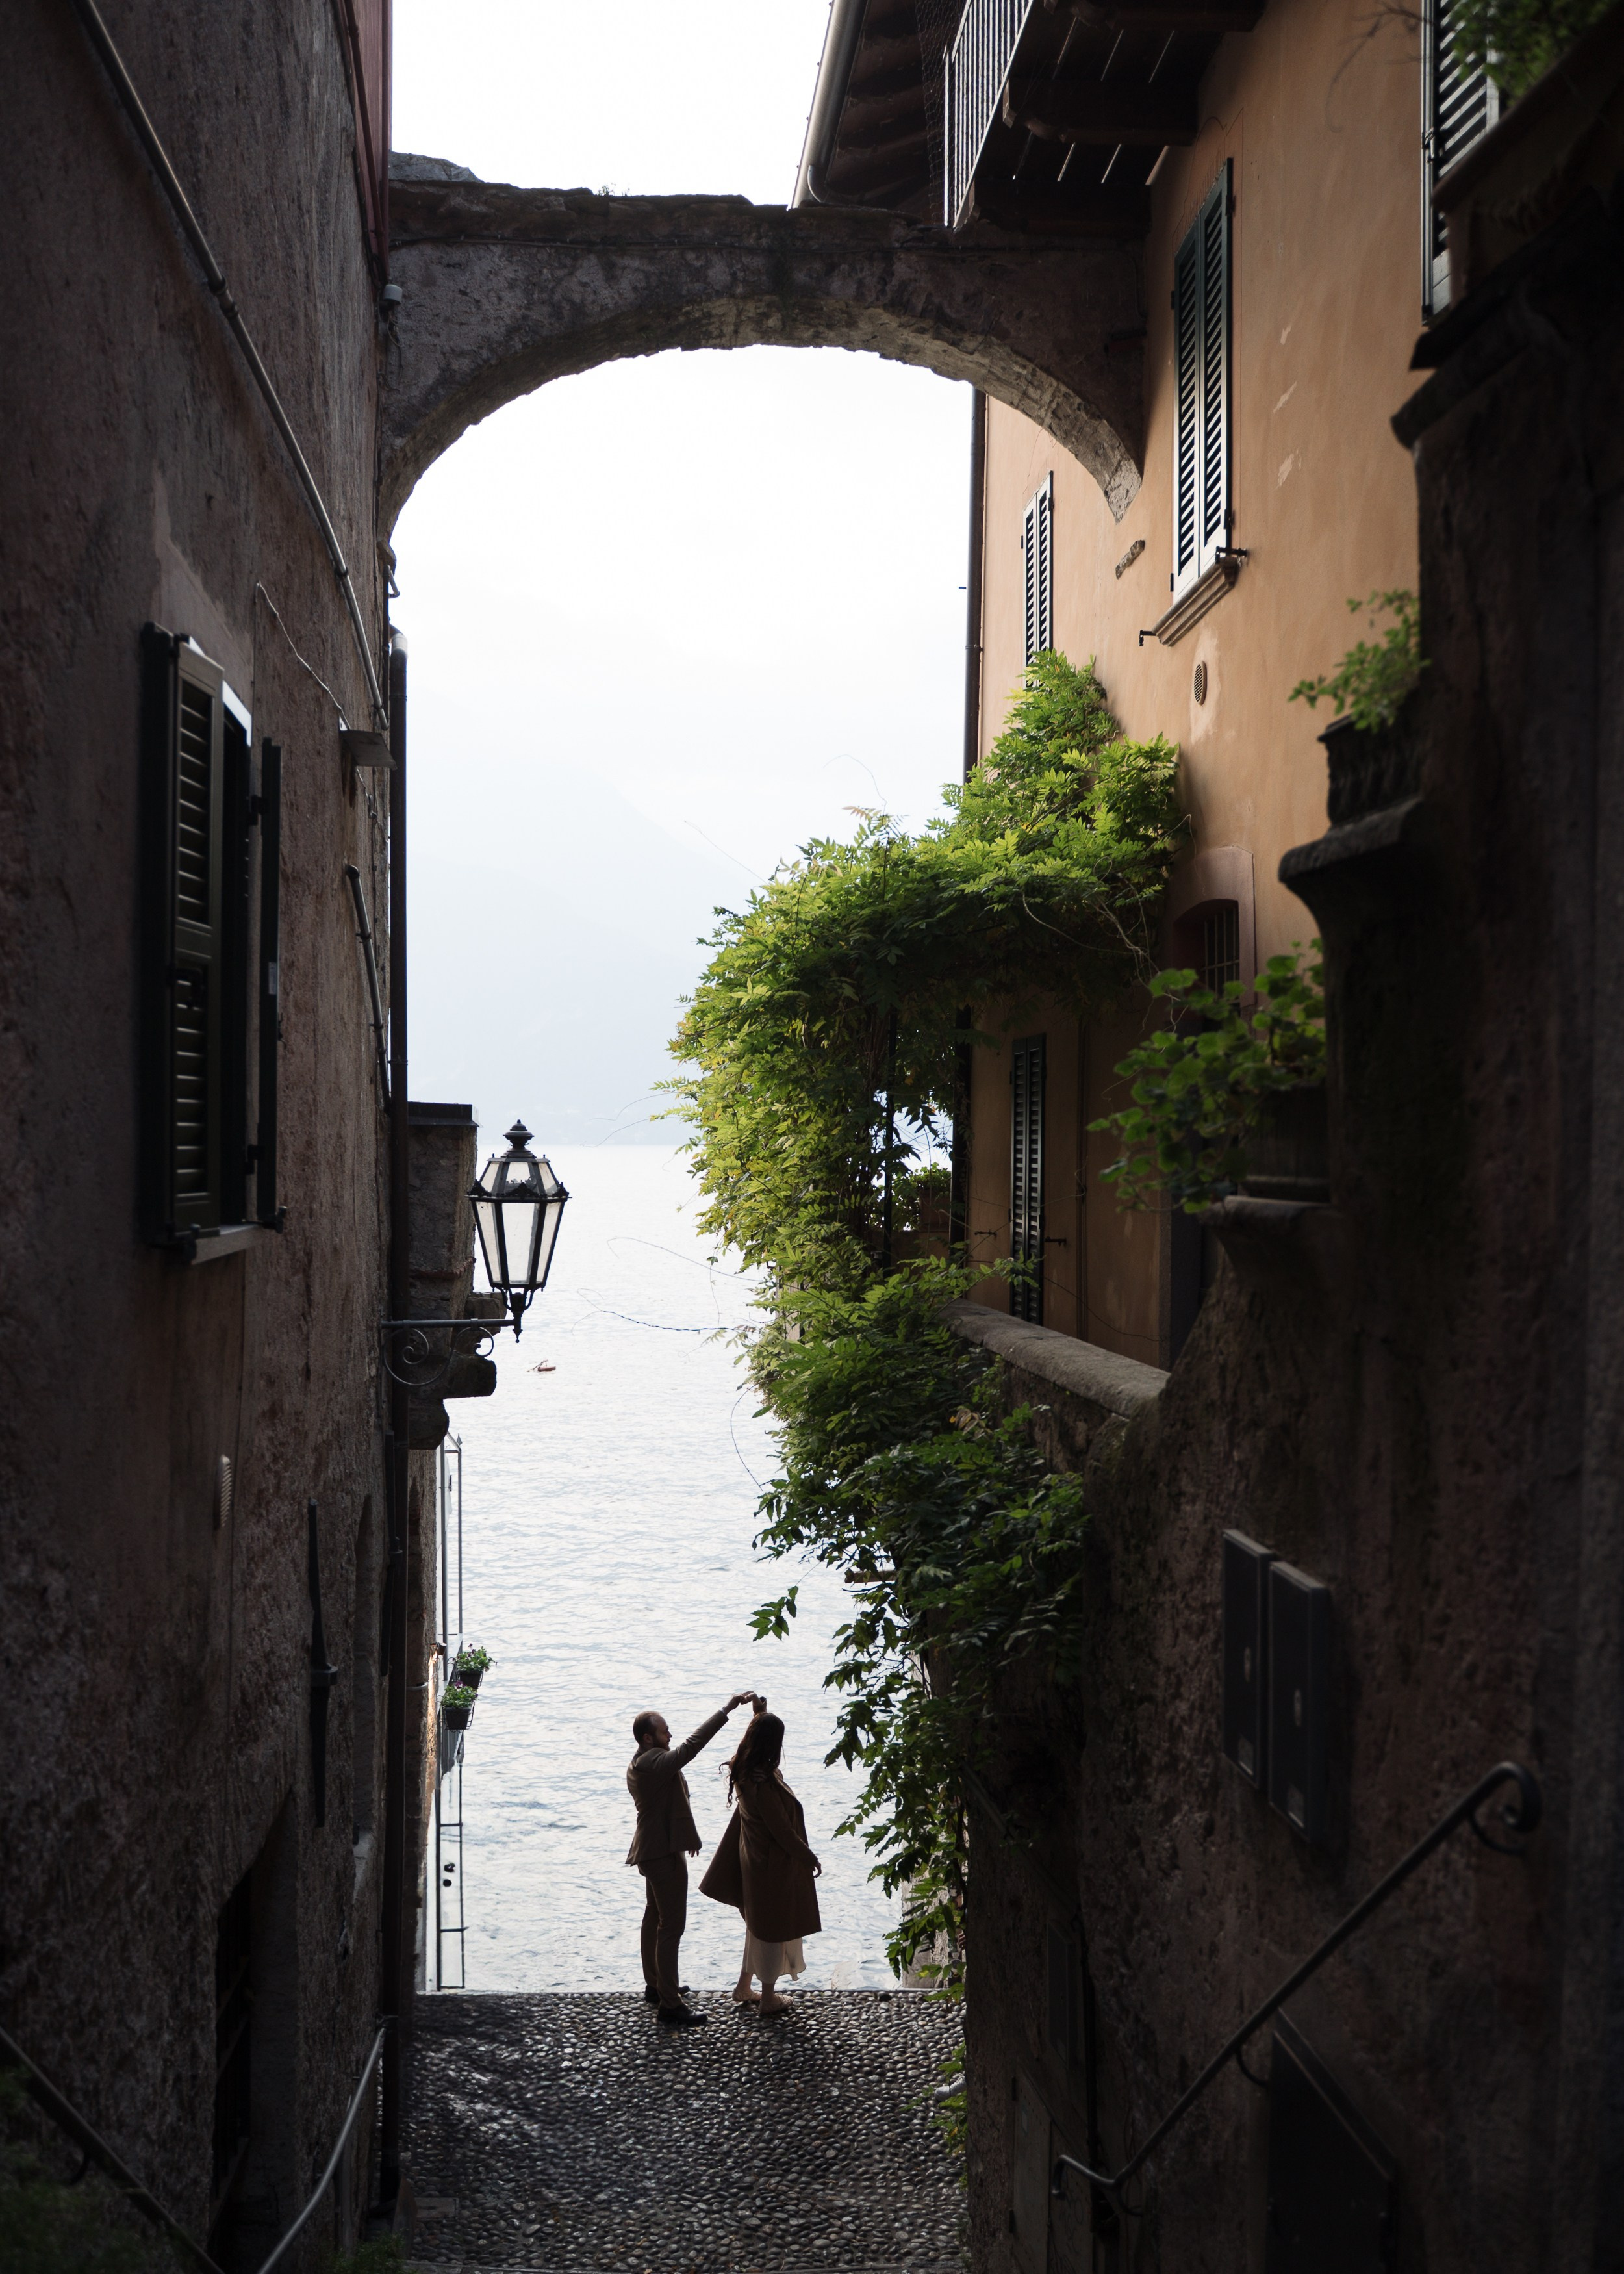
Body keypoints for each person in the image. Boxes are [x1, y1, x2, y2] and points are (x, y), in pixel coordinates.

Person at [626, 1691, 756, 2028]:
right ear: (648, 1737)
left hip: (657, 1849)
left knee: (654, 1917)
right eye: (665, 1731)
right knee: (671, 1927)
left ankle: (656, 1985)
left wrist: (688, 1837)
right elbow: (690, 1748)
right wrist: (726, 1710)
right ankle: (669, 2004)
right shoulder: (652, 1762)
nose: (670, 1735)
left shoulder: (644, 1761)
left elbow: (667, 1807)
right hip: (661, 1855)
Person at [700, 1702, 822, 2016]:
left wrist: (758, 1714)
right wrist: (809, 1857)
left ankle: (743, 1987)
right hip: (772, 1867)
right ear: (773, 1745)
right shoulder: (763, 1785)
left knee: (757, 1926)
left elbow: (755, 1739)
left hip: (753, 1862)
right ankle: (768, 1999)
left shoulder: (742, 1768)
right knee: (771, 1931)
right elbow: (782, 1832)